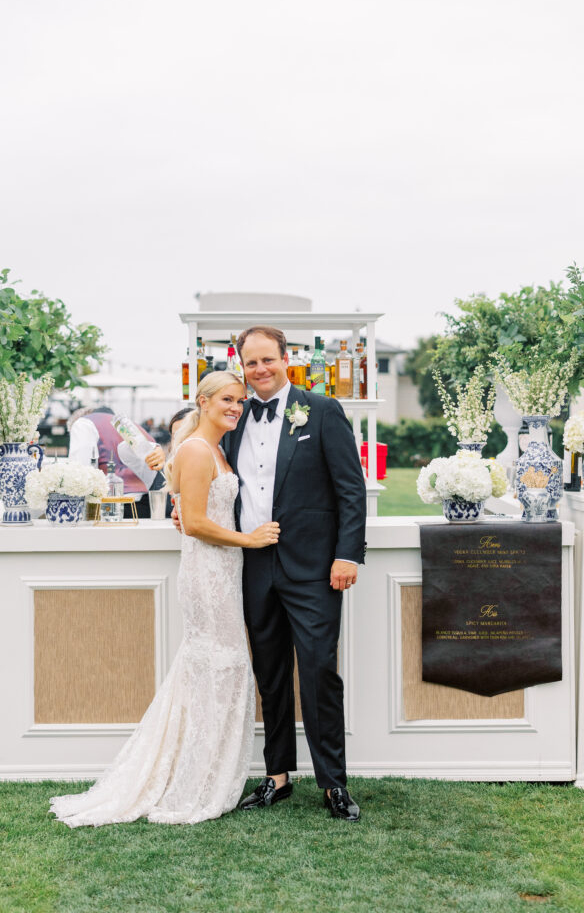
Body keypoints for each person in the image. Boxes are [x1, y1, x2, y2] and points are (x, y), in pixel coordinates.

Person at [49, 372, 280, 826]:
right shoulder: (195, 449)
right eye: (227, 400)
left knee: (220, 669)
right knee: (217, 667)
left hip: (223, 571)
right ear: (204, 401)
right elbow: (193, 523)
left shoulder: (214, 448)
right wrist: (250, 541)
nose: (236, 407)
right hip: (207, 573)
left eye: (240, 400)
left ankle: (207, 775)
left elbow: (185, 504)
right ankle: (193, 784)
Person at [228, 326, 366, 821]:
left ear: (287, 359)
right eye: (250, 363)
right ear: (240, 366)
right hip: (253, 565)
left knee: (318, 672)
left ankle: (333, 784)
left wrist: (348, 554)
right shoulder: (233, 416)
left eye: (267, 360)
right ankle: (277, 776)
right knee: (270, 674)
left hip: (315, 569)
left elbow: (351, 488)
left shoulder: (322, 410)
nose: (259, 370)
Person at [68, 405, 165, 518]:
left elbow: (80, 471)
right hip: (148, 505)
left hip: (113, 507)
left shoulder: (83, 424)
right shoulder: (134, 426)